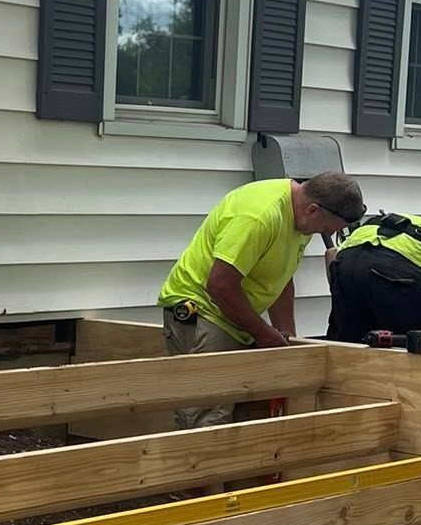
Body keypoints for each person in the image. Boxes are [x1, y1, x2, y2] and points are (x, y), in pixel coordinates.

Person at [157, 171, 366, 426]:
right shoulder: (259, 216)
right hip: (204, 312)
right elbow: (220, 284)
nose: (323, 234)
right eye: (326, 229)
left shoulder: (299, 217)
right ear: (313, 210)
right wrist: (264, 334)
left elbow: (280, 278)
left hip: (236, 318)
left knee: (247, 415)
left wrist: (286, 333)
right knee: (206, 416)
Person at [326, 210, 421, 354]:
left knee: (348, 341)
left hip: (348, 260)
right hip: (400, 272)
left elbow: (333, 258)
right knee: (415, 345)